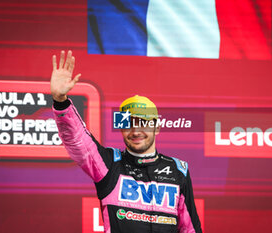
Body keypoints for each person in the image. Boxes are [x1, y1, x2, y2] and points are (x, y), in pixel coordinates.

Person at [51, 50, 202, 233]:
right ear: (121, 128)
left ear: (157, 127)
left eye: (143, 123)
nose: (136, 131)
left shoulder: (178, 170)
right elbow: (77, 140)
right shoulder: (109, 164)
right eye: (129, 124)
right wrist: (60, 101)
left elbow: (190, 229)